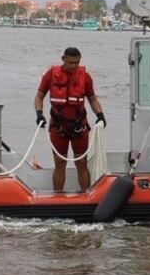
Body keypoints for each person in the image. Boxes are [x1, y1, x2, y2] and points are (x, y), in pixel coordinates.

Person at [34, 47, 106, 192]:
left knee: (81, 162)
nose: (74, 66)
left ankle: (87, 196)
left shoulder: (85, 77)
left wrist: (100, 115)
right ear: (63, 59)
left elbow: (92, 99)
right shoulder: (51, 74)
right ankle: (58, 196)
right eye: (71, 62)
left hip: (79, 126)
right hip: (58, 126)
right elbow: (39, 96)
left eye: (77, 63)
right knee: (60, 163)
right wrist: (39, 114)